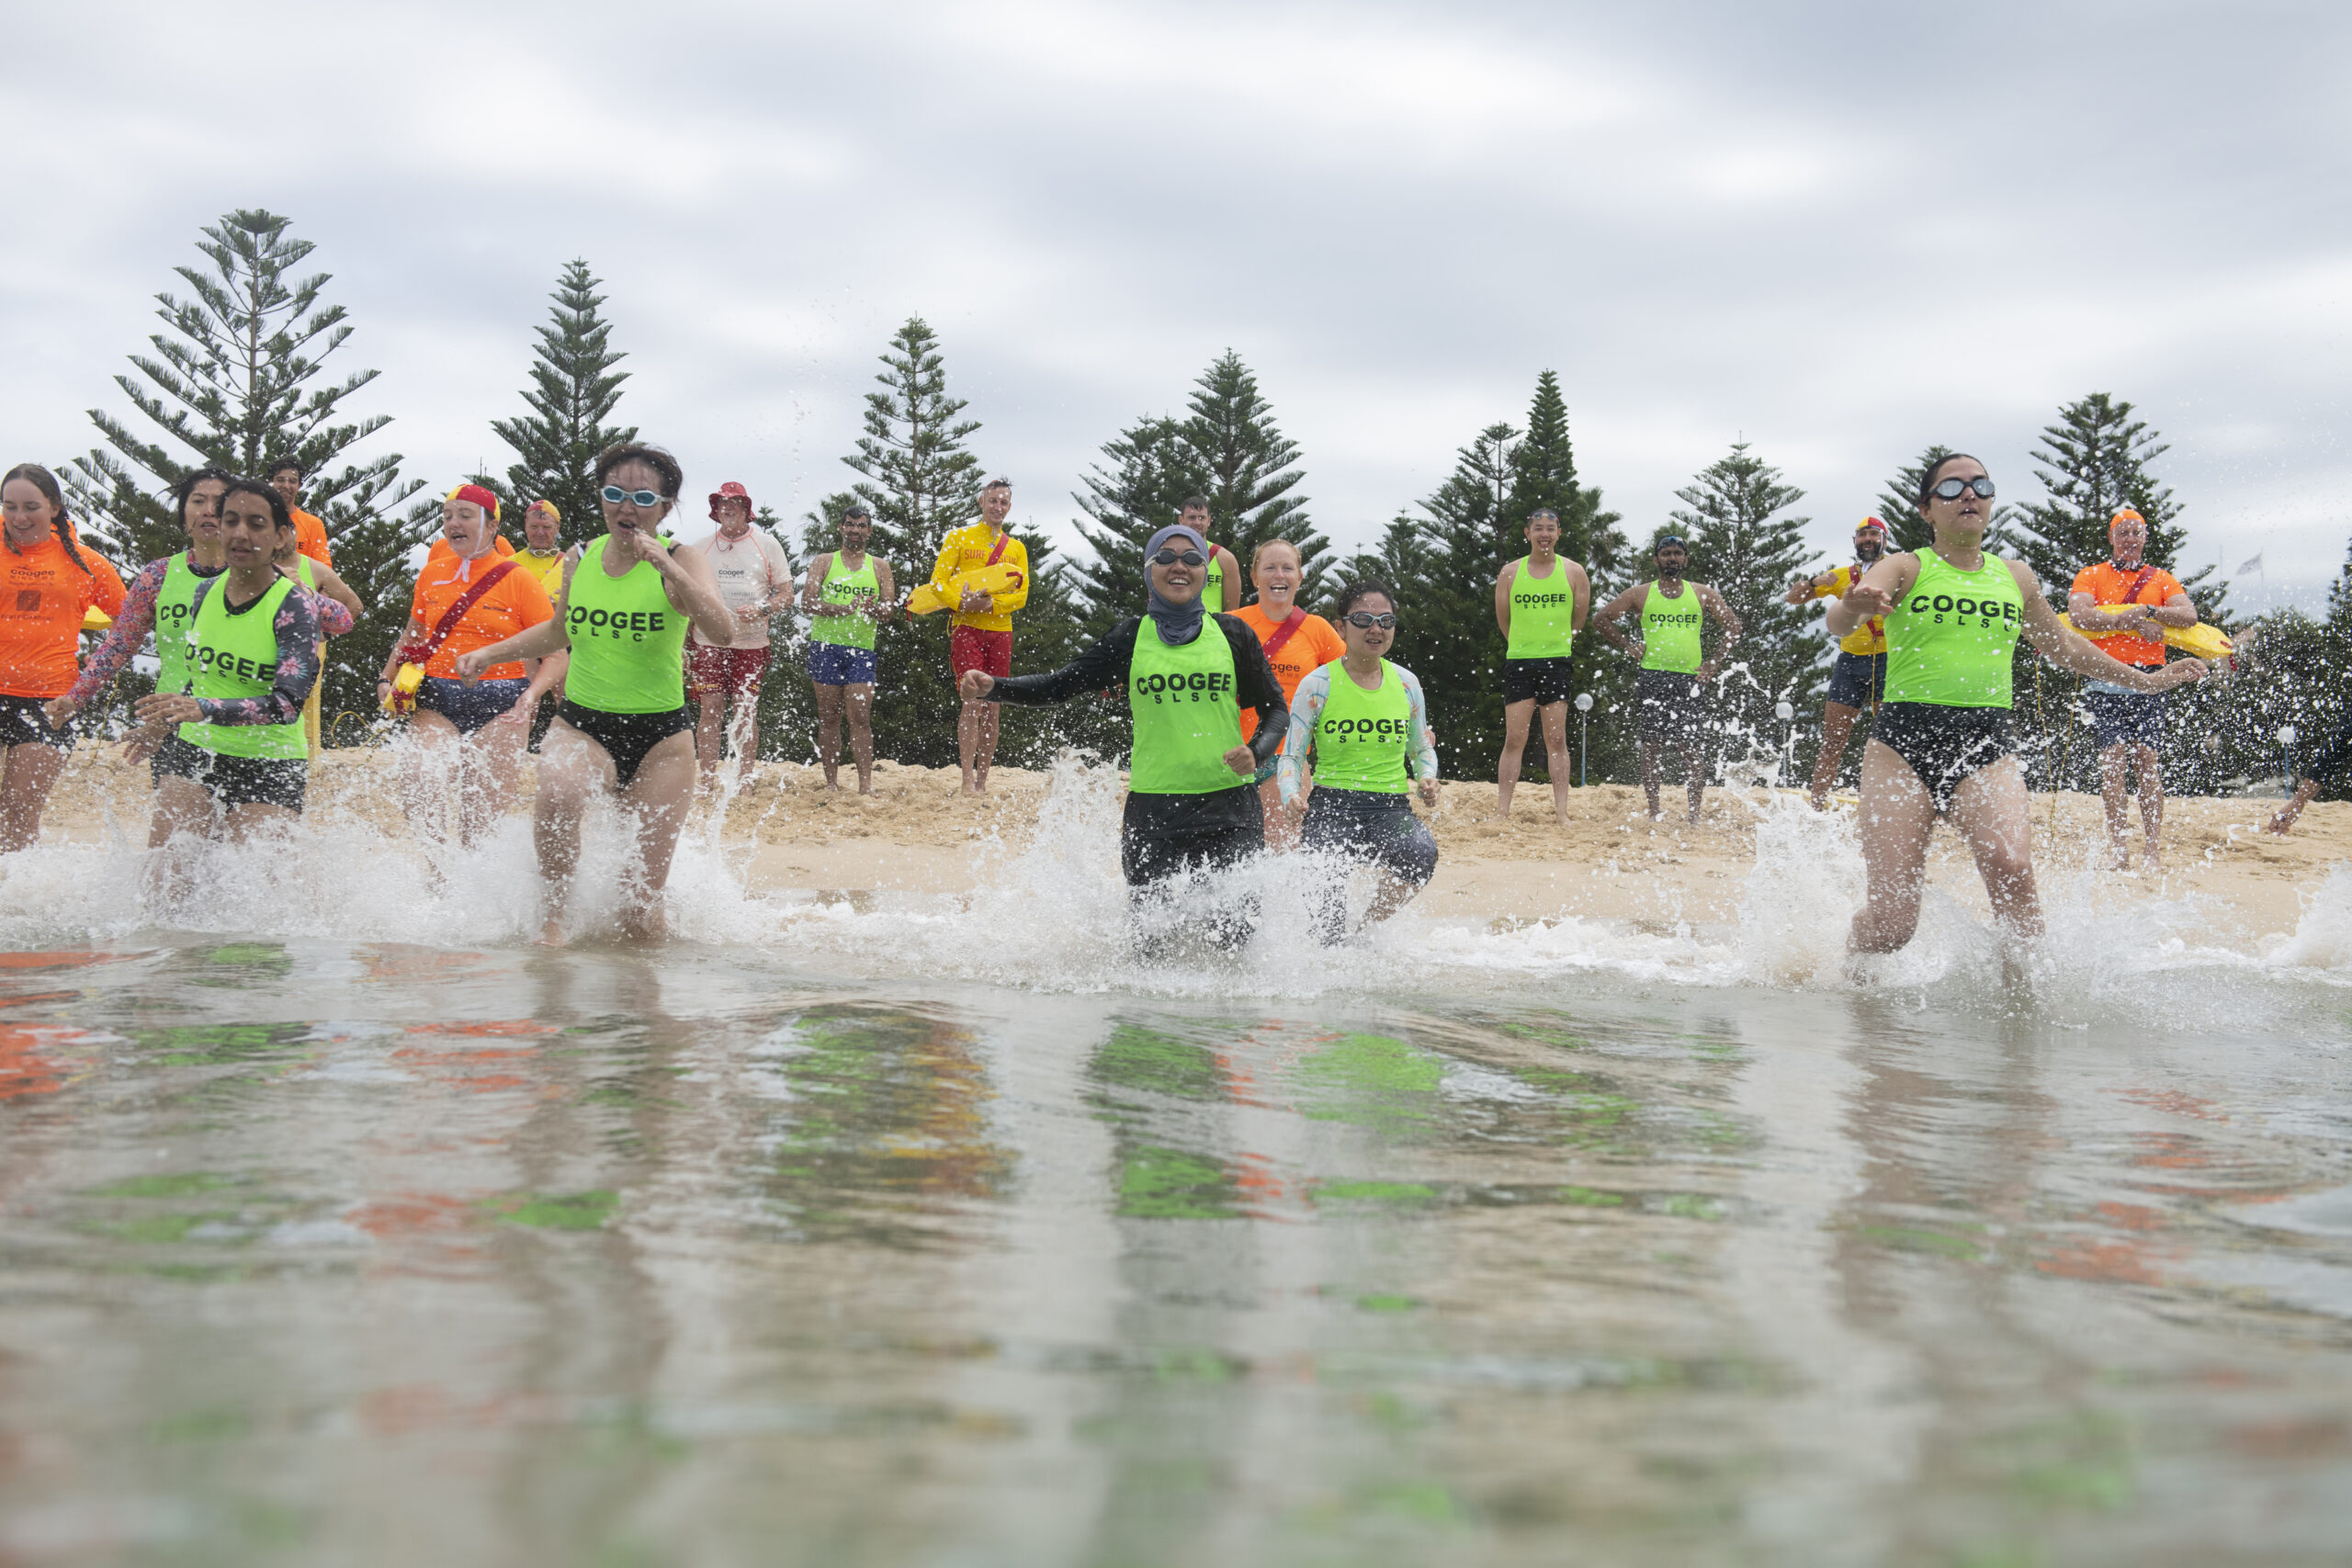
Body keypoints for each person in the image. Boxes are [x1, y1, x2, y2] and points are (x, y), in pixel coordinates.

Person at [1829, 455, 2206, 965]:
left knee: (2012, 868)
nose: (1969, 494)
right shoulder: (1905, 566)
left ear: (1990, 502)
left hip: (1987, 745)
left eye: (1980, 485)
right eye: (1952, 487)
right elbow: (1838, 621)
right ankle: (1853, 975)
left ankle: (2022, 1009)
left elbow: (2065, 646)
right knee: (1893, 925)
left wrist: (2146, 681)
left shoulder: (2016, 576)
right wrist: (1852, 606)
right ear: (1926, 509)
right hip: (1901, 746)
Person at [454, 443, 736, 944]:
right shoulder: (578, 557)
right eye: (614, 493)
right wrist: (490, 653)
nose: (626, 507)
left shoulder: (682, 558)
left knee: (640, 915)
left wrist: (669, 570)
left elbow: (723, 631)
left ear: (665, 507)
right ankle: (554, 928)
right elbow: (557, 630)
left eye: (643, 497)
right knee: (558, 793)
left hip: (662, 743)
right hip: (582, 725)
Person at [958, 523, 1286, 954]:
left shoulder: (1232, 633)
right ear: (1149, 569)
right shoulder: (1130, 637)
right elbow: (1061, 684)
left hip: (1229, 809)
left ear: (1204, 572)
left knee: (1234, 942)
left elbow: (1276, 710)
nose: (1179, 567)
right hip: (1154, 810)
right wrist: (995, 688)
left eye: (1191, 559)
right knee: (1151, 947)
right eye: (1165, 557)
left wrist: (1256, 753)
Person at [126, 478, 335, 841]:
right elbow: (199, 677)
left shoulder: (296, 607)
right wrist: (162, 725)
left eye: (256, 524)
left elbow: (287, 705)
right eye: (231, 521)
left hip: (270, 763)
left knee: (247, 876)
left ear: (281, 537)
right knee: (165, 872)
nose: (240, 533)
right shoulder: (205, 593)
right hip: (197, 748)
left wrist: (204, 708)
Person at [378, 484, 564, 848]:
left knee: (479, 828)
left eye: (465, 515)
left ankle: (469, 876)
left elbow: (557, 656)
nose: (453, 523)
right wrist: (386, 678)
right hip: (437, 697)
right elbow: (411, 637)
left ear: (493, 526)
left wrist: (531, 696)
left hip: (503, 703)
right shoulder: (431, 574)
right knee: (419, 781)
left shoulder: (519, 579)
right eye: (448, 516)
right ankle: (437, 873)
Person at [1278, 581, 1442, 943]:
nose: (1376, 629)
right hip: (1330, 807)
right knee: (1326, 922)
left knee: (1421, 854)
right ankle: (1330, 946)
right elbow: (1291, 754)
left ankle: (1365, 932)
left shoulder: (1406, 684)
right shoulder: (1317, 684)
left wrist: (1427, 778)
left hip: (1390, 808)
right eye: (1364, 619)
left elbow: (1420, 749)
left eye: (1386, 621)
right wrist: (1290, 793)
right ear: (1341, 627)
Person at [0, 464, 127, 852]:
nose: (19, 517)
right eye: (9, 506)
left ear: (54, 507)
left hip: (50, 700)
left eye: (31, 507)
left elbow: (130, 620)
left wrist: (101, 662)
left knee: (18, 811)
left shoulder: (86, 562)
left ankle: (14, 888)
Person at [2069, 508, 2199, 871]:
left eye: (2136, 533)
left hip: (2152, 680)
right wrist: (2126, 622)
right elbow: (2079, 615)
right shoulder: (2091, 575)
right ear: (2111, 537)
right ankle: (2119, 849)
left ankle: (2152, 850)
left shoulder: (2161, 578)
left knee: (2147, 762)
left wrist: (2147, 612)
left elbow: (2188, 616)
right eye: (2123, 532)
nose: (2129, 539)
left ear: (2144, 538)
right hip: (2104, 678)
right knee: (2112, 765)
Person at [1590, 536, 1741, 822]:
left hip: (1691, 679)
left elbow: (1733, 626)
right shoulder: (1640, 594)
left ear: (1686, 559)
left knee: (1690, 746)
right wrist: (1628, 645)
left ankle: (1694, 815)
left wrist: (1713, 663)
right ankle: (1654, 811)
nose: (1672, 558)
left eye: (1678, 553)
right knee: (1652, 745)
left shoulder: (1702, 594)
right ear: (1656, 559)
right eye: (1666, 553)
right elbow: (1601, 618)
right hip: (1653, 675)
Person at [1232, 539, 1344, 848]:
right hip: (1228, 756)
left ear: (1300, 577)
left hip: (1285, 758)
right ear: (1254, 577)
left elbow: (1356, 678)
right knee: (1227, 858)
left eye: (1287, 568)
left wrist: (1412, 719)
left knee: (1283, 855)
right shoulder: (1231, 624)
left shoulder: (1318, 630)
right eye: (1269, 567)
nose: (1279, 575)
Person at [687, 480, 791, 792]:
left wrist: (762, 608)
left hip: (751, 642)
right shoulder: (700, 547)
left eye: (735, 503)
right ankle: (706, 779)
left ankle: (745, 779)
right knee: (711, 708)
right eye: (722, 503)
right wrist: (681, 644)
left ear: (747, 510)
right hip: (708, 641)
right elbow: (685, 596)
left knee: (745, 710)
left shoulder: (767, 544)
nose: (728, 508)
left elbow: (787, 595)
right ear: (715, 510)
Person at [1493, 507, 1591, 823]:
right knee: (1514, 739)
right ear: (1528, 533)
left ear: (1559, 533)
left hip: (1557, 662)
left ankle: (1562, 812)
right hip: (1520, 662)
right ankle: (1502, 811)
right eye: (1538, 528)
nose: (1544, 534)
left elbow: (1578, 619)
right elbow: (1504, 621)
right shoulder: (1510, 572)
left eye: (1550, 528)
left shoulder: (1574, 572)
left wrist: (1557, 644)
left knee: (1557, 739)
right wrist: (1524, 646)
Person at [933, 478, 1031, 794]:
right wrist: (961, 603)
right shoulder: (958, 538)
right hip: (966, 629)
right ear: (981, 502)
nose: (997, 507)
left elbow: (1021, 595)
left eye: (1003, 502)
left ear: (1009, 507)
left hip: (1001, 631)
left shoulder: (1016, 548)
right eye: (992, 501)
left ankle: (982, 781)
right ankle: (966, 780)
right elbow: (938, 583)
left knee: (994, 705)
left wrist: (990, 605)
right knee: (972, 702)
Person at [1787, 517, 1893, 809]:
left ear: (1884, 540)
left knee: (1888, 741)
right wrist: (1813, 582)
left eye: (1874, 534)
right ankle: (1816, 806)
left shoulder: (1898, 571)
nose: (1868, 539)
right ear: (1855, 541)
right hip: (1850, 663)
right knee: (1833, 739)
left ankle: (1887, 806)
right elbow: (1793, 598)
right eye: (1862, 535)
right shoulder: (1842, 575)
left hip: (1890, 660)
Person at [801, 502, 894, 793]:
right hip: (826, 646)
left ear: (869, 531)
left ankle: (865, 784)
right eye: (850, 524)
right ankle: (831, 783)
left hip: (862, 650)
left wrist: (874, 609)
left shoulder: (879, 566)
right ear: (841, 528)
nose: (855, 530)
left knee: (860, 717)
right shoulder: (824, 561)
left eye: (861, 525)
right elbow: (807, 602)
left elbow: (888, 611)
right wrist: (840, 609)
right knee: (829, 717)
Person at [1175, 496, 1245, 615]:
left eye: (1201, 518)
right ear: (1181, 520)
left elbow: (1232, 613)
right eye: (1192, 517)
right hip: (1175, 626)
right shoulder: (1168, 556)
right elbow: (1156, 602)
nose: (1197, 522)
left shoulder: (1224, 558)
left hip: (1213, 626)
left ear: (1208, 521)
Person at [266, 459, 333, 568]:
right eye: (280, 480)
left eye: (292, 481)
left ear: (299, 485)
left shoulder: (313, 524)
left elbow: (324, 569)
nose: (286, 486)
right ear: (271, 482)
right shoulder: (258, 520)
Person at [514, 500, 571, 597]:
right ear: (526, 527)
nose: (540, 533)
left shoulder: (570, 565)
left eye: (546, 527)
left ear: (557, 528)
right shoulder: (510, 563)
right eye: (534, 526)